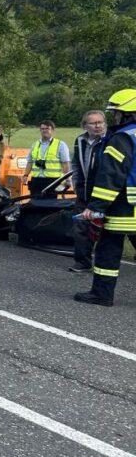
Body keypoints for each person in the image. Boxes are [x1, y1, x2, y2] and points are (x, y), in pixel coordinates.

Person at [75, 90, 136, 306]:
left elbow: (111, 175)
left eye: (118, 113)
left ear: (128, 114)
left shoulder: (122, 139)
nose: (115, 118)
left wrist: (96, 207)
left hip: (124, 209)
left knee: (107, 251)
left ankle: (102, 294)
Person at [70, 110, 108, 274]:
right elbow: (76, 165)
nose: (98, 126)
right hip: (84, 193)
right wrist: (76, 184)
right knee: (81, 228)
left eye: (101, 122)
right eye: (94, 123)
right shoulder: (80, 140)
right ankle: (83, 262)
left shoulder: (111, 140)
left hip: (106, 194)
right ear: (85, 125)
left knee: (118, 229)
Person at [22, 120, 71, 197]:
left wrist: (68, 179)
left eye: (47, 128)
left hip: (52, 181)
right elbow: (30, 162)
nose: (44, 130)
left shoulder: (60, 145)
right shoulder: (35, 144)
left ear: (52, 130)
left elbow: (66, 164)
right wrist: (25, 175)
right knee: (35, 204)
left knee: (50, 205)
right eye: (42, 129)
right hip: (36, 180)